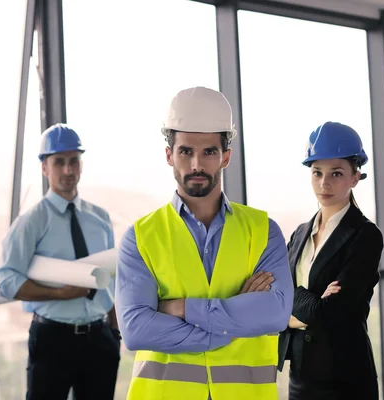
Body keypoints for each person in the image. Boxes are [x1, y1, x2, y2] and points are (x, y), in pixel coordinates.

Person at [115, 86, 294, 400]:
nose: (197, 164)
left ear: (225, 156)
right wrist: (230, 325)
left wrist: (181, 308)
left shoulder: (263, 230)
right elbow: (135, 329)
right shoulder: (141, 236)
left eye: (209, 151)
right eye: (186, 151)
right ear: (170, 155)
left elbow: (275, 313)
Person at [0, 123, 121, 400]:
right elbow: (6, 279)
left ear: (81, 165)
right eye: (59, 162)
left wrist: (114, 332)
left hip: (100, 339)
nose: (67, 170)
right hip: (53, 339)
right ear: (45, 168)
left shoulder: (100, 218)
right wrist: (58, 294)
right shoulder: (32, 221)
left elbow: (110, 278)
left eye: (74, 161)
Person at [277, 121, 383, 400]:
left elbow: (331, 314)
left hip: (346, 379)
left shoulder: (365, 236)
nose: (324, 183)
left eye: (336, 173)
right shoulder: (300, 234)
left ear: (355, 177)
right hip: (300, 377)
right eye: (317, 173)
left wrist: (292, 304)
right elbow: (276, 301)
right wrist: (309, 305)